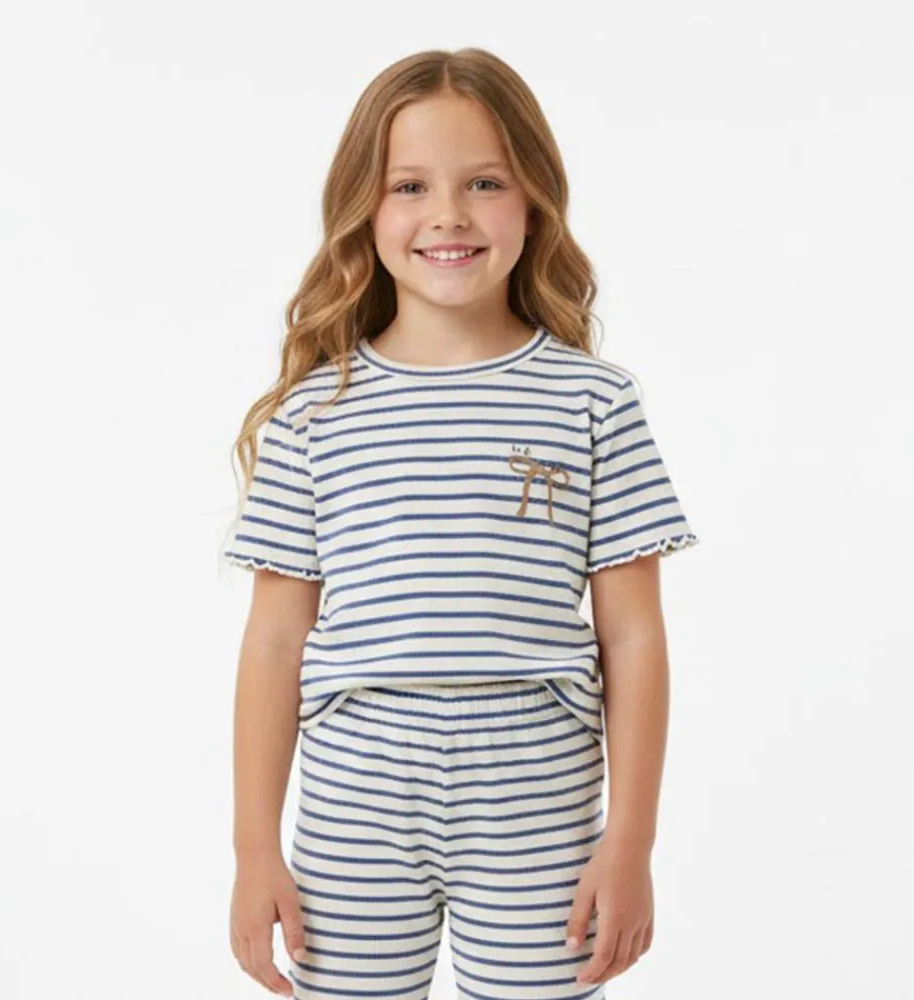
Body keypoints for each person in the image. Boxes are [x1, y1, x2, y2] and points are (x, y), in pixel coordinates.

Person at [222, 47, 700, 1000]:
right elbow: (274, 641)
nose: (448, 214)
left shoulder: (594, 401)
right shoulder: (313, 415)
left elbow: (634, 635)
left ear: (535, 200)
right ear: (365, 209)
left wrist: (631, 842)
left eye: (485, 182)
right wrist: (252, 851)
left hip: (540, 790)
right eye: (410, 186)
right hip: (357, 791)